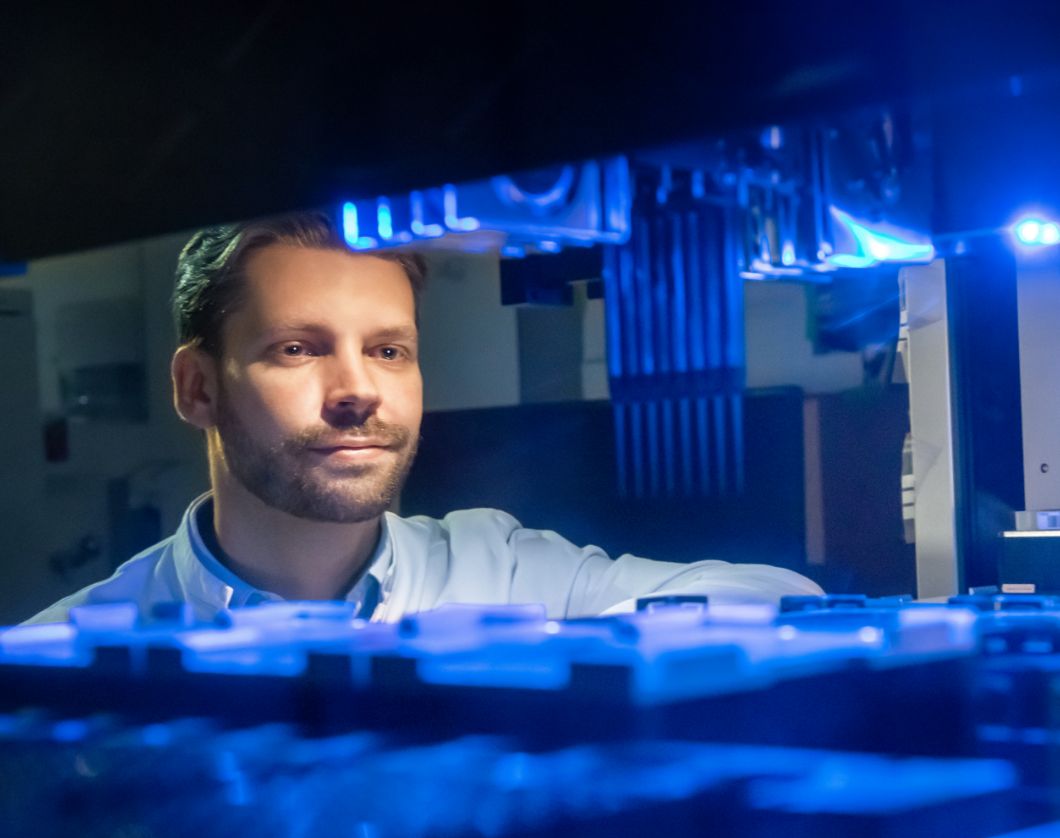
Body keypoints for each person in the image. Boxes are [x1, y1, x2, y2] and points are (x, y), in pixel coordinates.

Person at [25, 212, 820, 625]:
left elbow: (780, 595)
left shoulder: (499, 570)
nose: (358, 390)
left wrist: (538, 658)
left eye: (389, 351)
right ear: (197, 387)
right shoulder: (76, 650)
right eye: (300, 348)